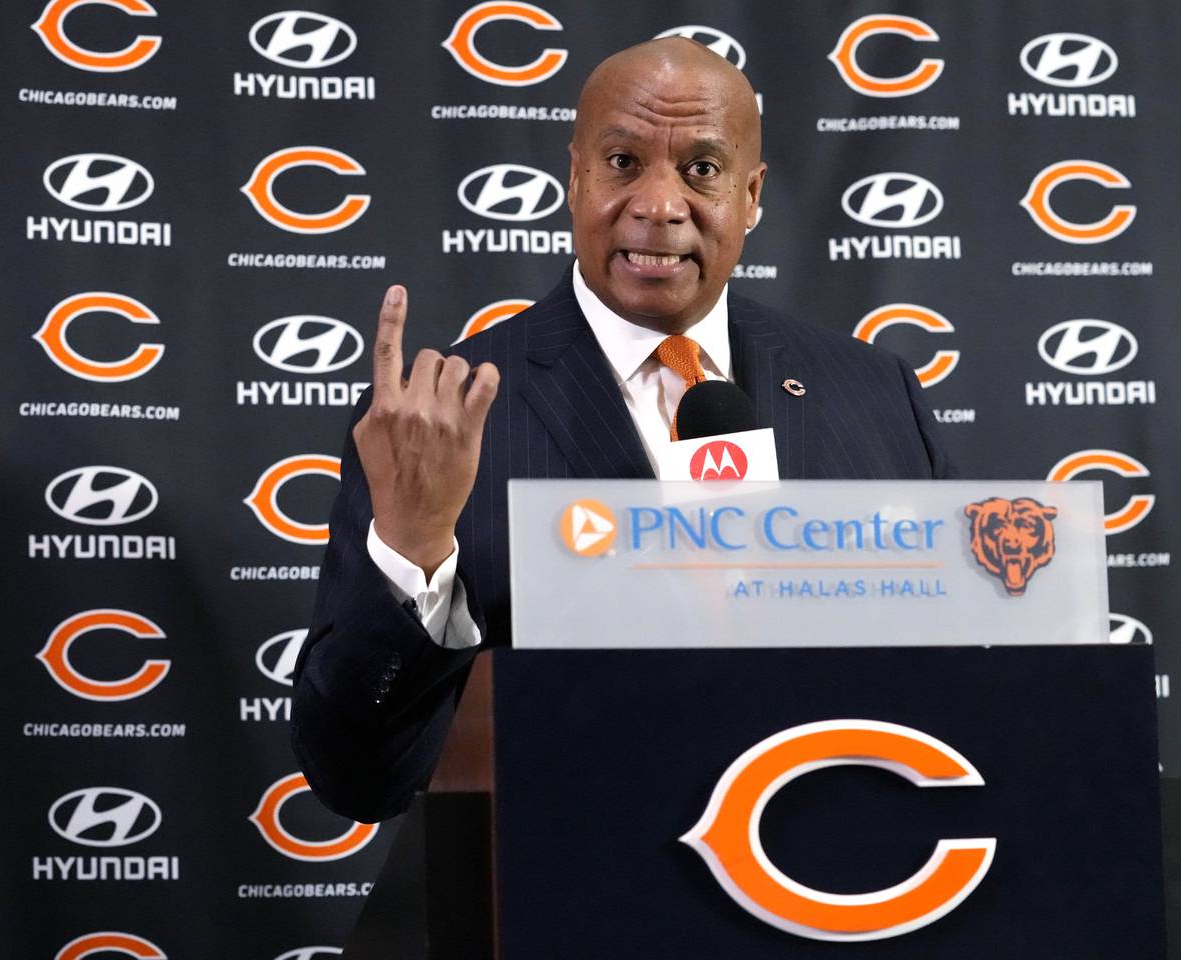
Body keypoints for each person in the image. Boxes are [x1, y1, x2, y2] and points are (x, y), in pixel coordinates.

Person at [291, 38, 957, 823]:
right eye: (622, 162)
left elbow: (948, 688)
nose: (659, 205)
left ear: (751, 195)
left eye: (702, 170)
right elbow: (356, 779)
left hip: (835, 878)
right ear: (573, 178)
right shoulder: (439, 422)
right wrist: (413, 550)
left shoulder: (877, 395)